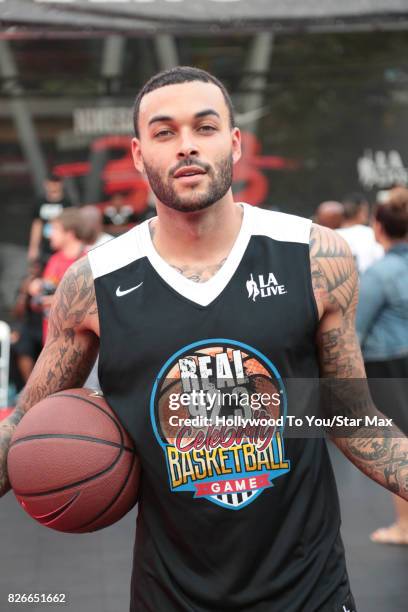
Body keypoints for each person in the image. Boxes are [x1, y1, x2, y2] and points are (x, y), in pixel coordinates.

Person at [1, 66, 407, 612]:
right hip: (170, 594)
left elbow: (348, 416)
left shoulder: (313, 255)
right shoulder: (93, 283)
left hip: (309, 592)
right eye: (164, 132)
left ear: (235, 144)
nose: (186, 146)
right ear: (139, 154)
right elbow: (26, 424)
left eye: (205, 127)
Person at [356, 187, 408, 545]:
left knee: (398, 443)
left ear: (378, 227)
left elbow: (352, 333)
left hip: (389, 367)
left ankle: (405, 526)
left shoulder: (378, 274)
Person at [27, 208, 87, 342]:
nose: (50, 235)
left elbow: (86, 305)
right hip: (50, 339)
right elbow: (39, 301)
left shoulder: (87, 261)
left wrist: (53, 300)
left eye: (54, 229)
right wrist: (38, 288)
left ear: (69, 233)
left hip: (75, 343)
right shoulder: (54, 259)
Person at [27, 174, 71, 264]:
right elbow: (37, 225)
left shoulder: (67, 203)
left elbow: (71, 227)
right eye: (50, 183)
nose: (53, 185)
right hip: (44, 246)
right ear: (46, 184)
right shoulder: (40, 202)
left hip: (61, 246)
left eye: (56, 183)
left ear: (61, 184)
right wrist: (33, 247)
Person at [336, 192, 383, 274]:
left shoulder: (331, 236)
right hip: (367, 284)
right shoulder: (371, 234)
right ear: (362, 211)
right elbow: (382, 260)